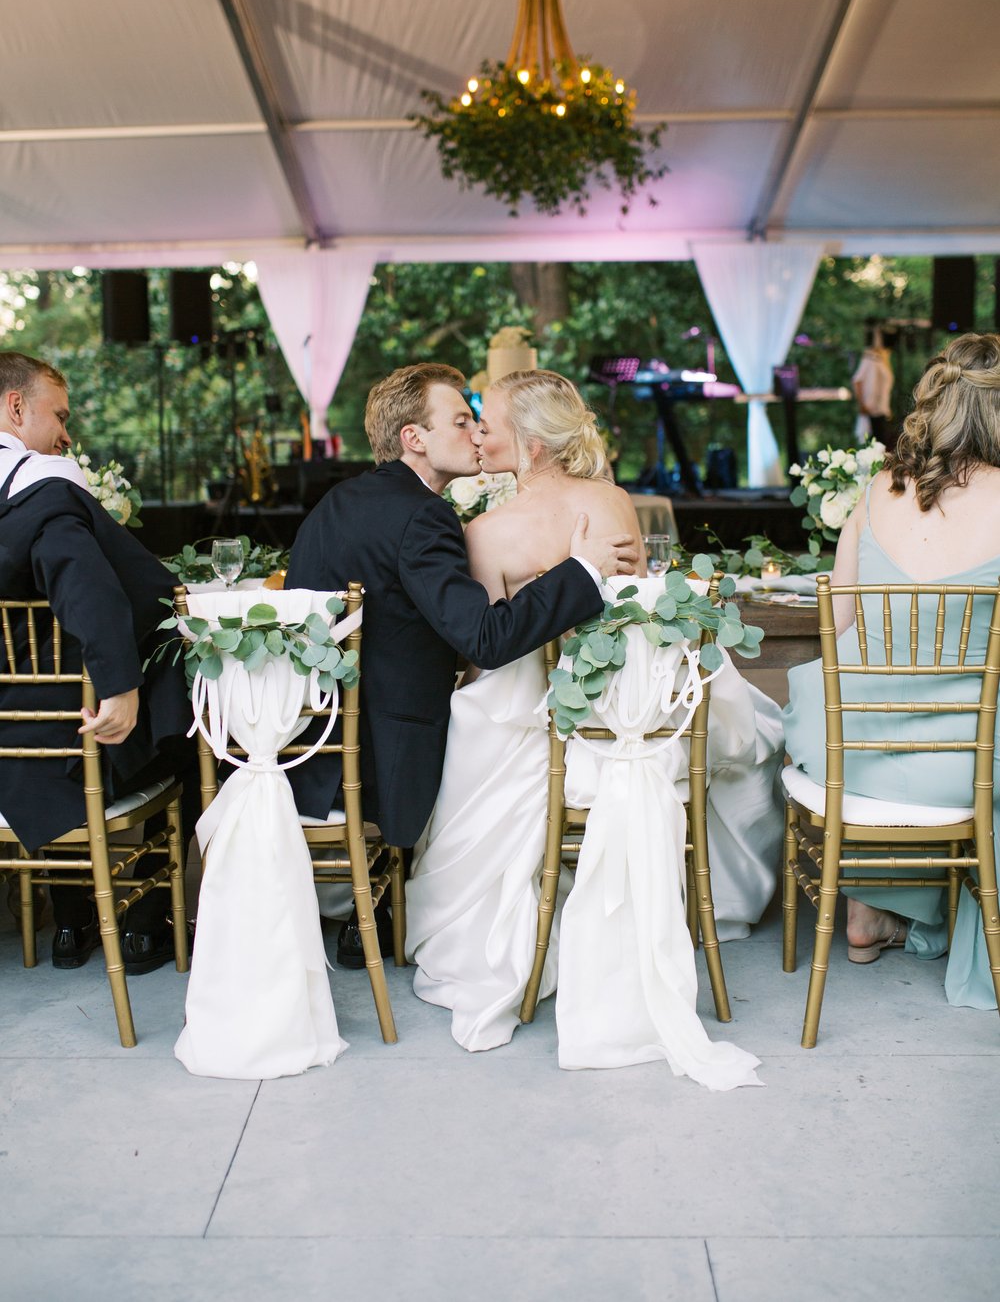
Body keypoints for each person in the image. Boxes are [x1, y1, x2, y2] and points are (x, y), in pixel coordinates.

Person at [405, 370, 783, 1082]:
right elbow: (640, 628)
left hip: (547, 735)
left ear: (532, 443)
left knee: (473, 716)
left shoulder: (484, 531)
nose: (479, 434)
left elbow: (489, 650)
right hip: (633, 727)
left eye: (488, 423)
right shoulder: (615, 504)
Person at [285, 362, 638, 966]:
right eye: (461, 420)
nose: (475, 432)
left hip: (312, 737)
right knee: (481, 713)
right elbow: (484, 638)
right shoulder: (428, 517)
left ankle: (368, 904)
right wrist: (577, 573)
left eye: (480, 421)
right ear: (414, 438)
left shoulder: (338, 502)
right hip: (387, 748)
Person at [784, 332, 1000, 1008]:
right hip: (962, 764)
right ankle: (899, 908)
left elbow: (843, 627)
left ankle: (869, 912)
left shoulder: (879, 490)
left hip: (849, 754)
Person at [0, 351, 197, 973]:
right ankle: (142, 922)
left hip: (10, 752)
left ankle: (72, 923)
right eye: (58, 415)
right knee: (193, 732)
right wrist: (122, 686)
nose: (65, 434)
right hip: (63, 750)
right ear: (15, 407)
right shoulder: (45, 495)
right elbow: (87, 587)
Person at [851, 321, 894, 445]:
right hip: (870, 409)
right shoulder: (870, 358)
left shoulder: (884, 359)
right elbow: (857, 381)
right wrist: (862, 404)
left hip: (882, 410)